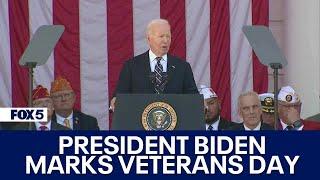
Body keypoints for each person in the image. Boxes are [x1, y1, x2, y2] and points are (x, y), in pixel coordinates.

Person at [110, 19, 198, 111]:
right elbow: (120, 96)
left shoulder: (182, 67)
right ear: (149, 39)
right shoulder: (131, 66)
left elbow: (193, 97)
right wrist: (116, 100)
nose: (165, 40)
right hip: (139, 121)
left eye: (168, 36)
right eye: (161, 36)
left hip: (174, 121)